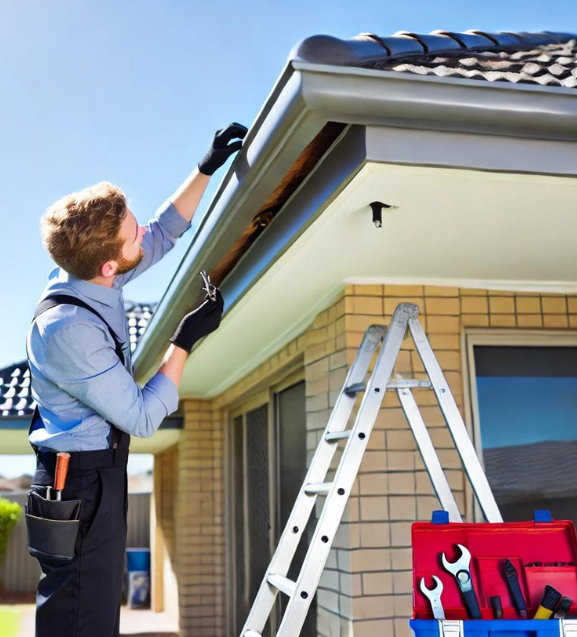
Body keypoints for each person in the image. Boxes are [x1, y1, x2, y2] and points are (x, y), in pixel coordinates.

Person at [25, 122, 247, 637]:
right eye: (132, 235)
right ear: (108, 265)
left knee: (97, 616)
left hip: (94, 475)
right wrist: (185, 338)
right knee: (82, 621)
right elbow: (146, 416)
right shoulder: (69, 329)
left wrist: (204, 168)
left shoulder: (87, 270)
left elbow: (163, 231)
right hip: (76, 485)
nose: (141, 233)